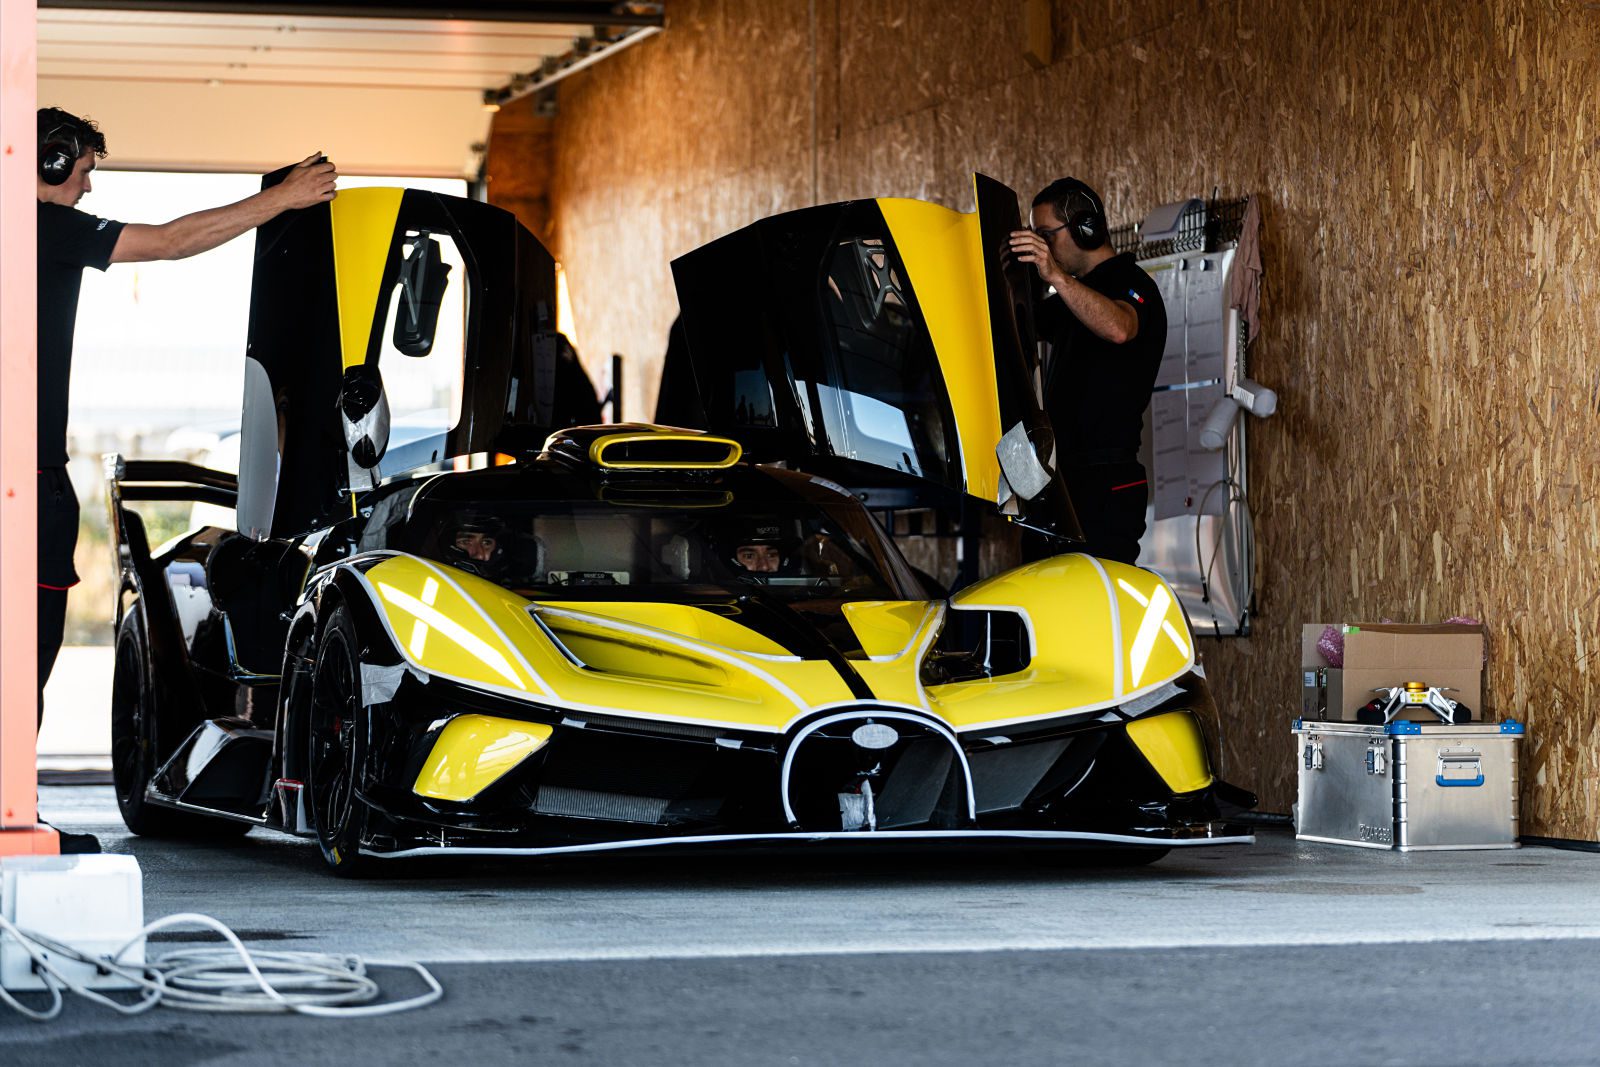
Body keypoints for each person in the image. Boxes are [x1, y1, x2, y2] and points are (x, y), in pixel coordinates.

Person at [35, 107, 336, 851]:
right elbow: (172, 241)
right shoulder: (41, 227)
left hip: (33, 474)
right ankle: (11, 819)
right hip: (25, 483)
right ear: (47, 162)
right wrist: (284, 199)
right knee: (21, 659)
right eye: (82, 174)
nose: (85, 190)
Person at [1008, 177, 1166, 566]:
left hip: (1107, 482)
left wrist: (1056, 277)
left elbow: (1118, 327)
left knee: (1095, 596)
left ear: (1086, 227)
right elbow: (1017, 322)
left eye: (1046, 235)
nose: (1043, 247)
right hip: (1060, 480)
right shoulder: (1071, 296)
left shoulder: (1133, 283)